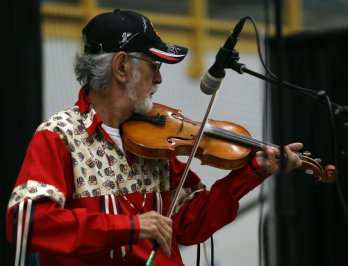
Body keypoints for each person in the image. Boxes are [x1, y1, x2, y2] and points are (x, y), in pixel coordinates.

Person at [6, 9, 303, 266]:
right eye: (154, 65)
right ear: (122, 67)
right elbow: (27, 223)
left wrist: (252, 171)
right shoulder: (60, 136)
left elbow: (188, 225)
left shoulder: (153, 141)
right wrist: (131, 227)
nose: (159, 79)